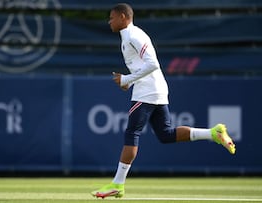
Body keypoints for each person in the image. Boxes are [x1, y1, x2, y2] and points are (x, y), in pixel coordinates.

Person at [91, 3, 236, 199]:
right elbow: (143, 67)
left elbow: (153, 64)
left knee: (132, 133)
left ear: (124, 17)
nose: (110, 21)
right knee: (165, 134)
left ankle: (118, 184)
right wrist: (128, 81)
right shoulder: (128, 37)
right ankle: (213, 133)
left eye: (112, 17)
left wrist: (127, 79)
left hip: (148, 92)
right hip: (152, 89)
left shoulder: (134, 35)